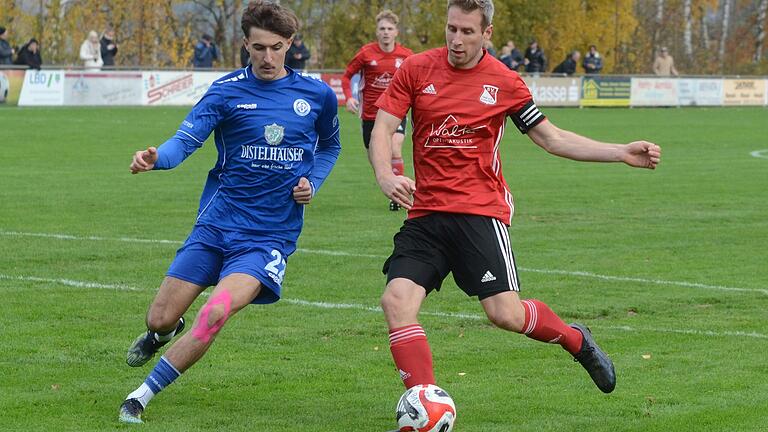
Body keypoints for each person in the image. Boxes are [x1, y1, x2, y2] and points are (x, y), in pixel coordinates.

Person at [369, 0, 661, 408]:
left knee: (505, 315)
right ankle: (425, 403)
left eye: (467, 32)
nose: (456, 39)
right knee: (396, 301)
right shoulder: (416, 69)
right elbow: (382, 128)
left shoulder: (504, 81)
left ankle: (576, 340)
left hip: (480, 212)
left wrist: (620, 152)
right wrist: (386, 175)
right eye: (451, 28)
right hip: (428, 213)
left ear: (487, 33)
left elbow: (551, 138)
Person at [118, 0, 341, 424]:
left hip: (268, 237)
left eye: (277, 47)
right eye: (259, 48)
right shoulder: (226, 92)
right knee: (160, 317)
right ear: (245, 45)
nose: (268, 57)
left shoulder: (316, 96)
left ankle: (140, 396)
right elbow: (186, 140)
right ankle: (163, 333)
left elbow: (330, 146)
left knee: (215, 310)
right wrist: (155, 157)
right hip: (217, 225)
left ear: (291, 44)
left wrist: (313, 181)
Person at [341, 9, 414, 212]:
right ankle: (391, 185)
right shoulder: (366, 53)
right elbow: (347, 77)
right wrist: (348, 98)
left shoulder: (407, 56)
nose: (386, 32)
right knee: (377, 161)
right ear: (377, 31)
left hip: (395, 113)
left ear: (396, 32)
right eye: (382, 28)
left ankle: (398, 196)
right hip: (370, 115)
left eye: (390, 28)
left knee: (395, 148)